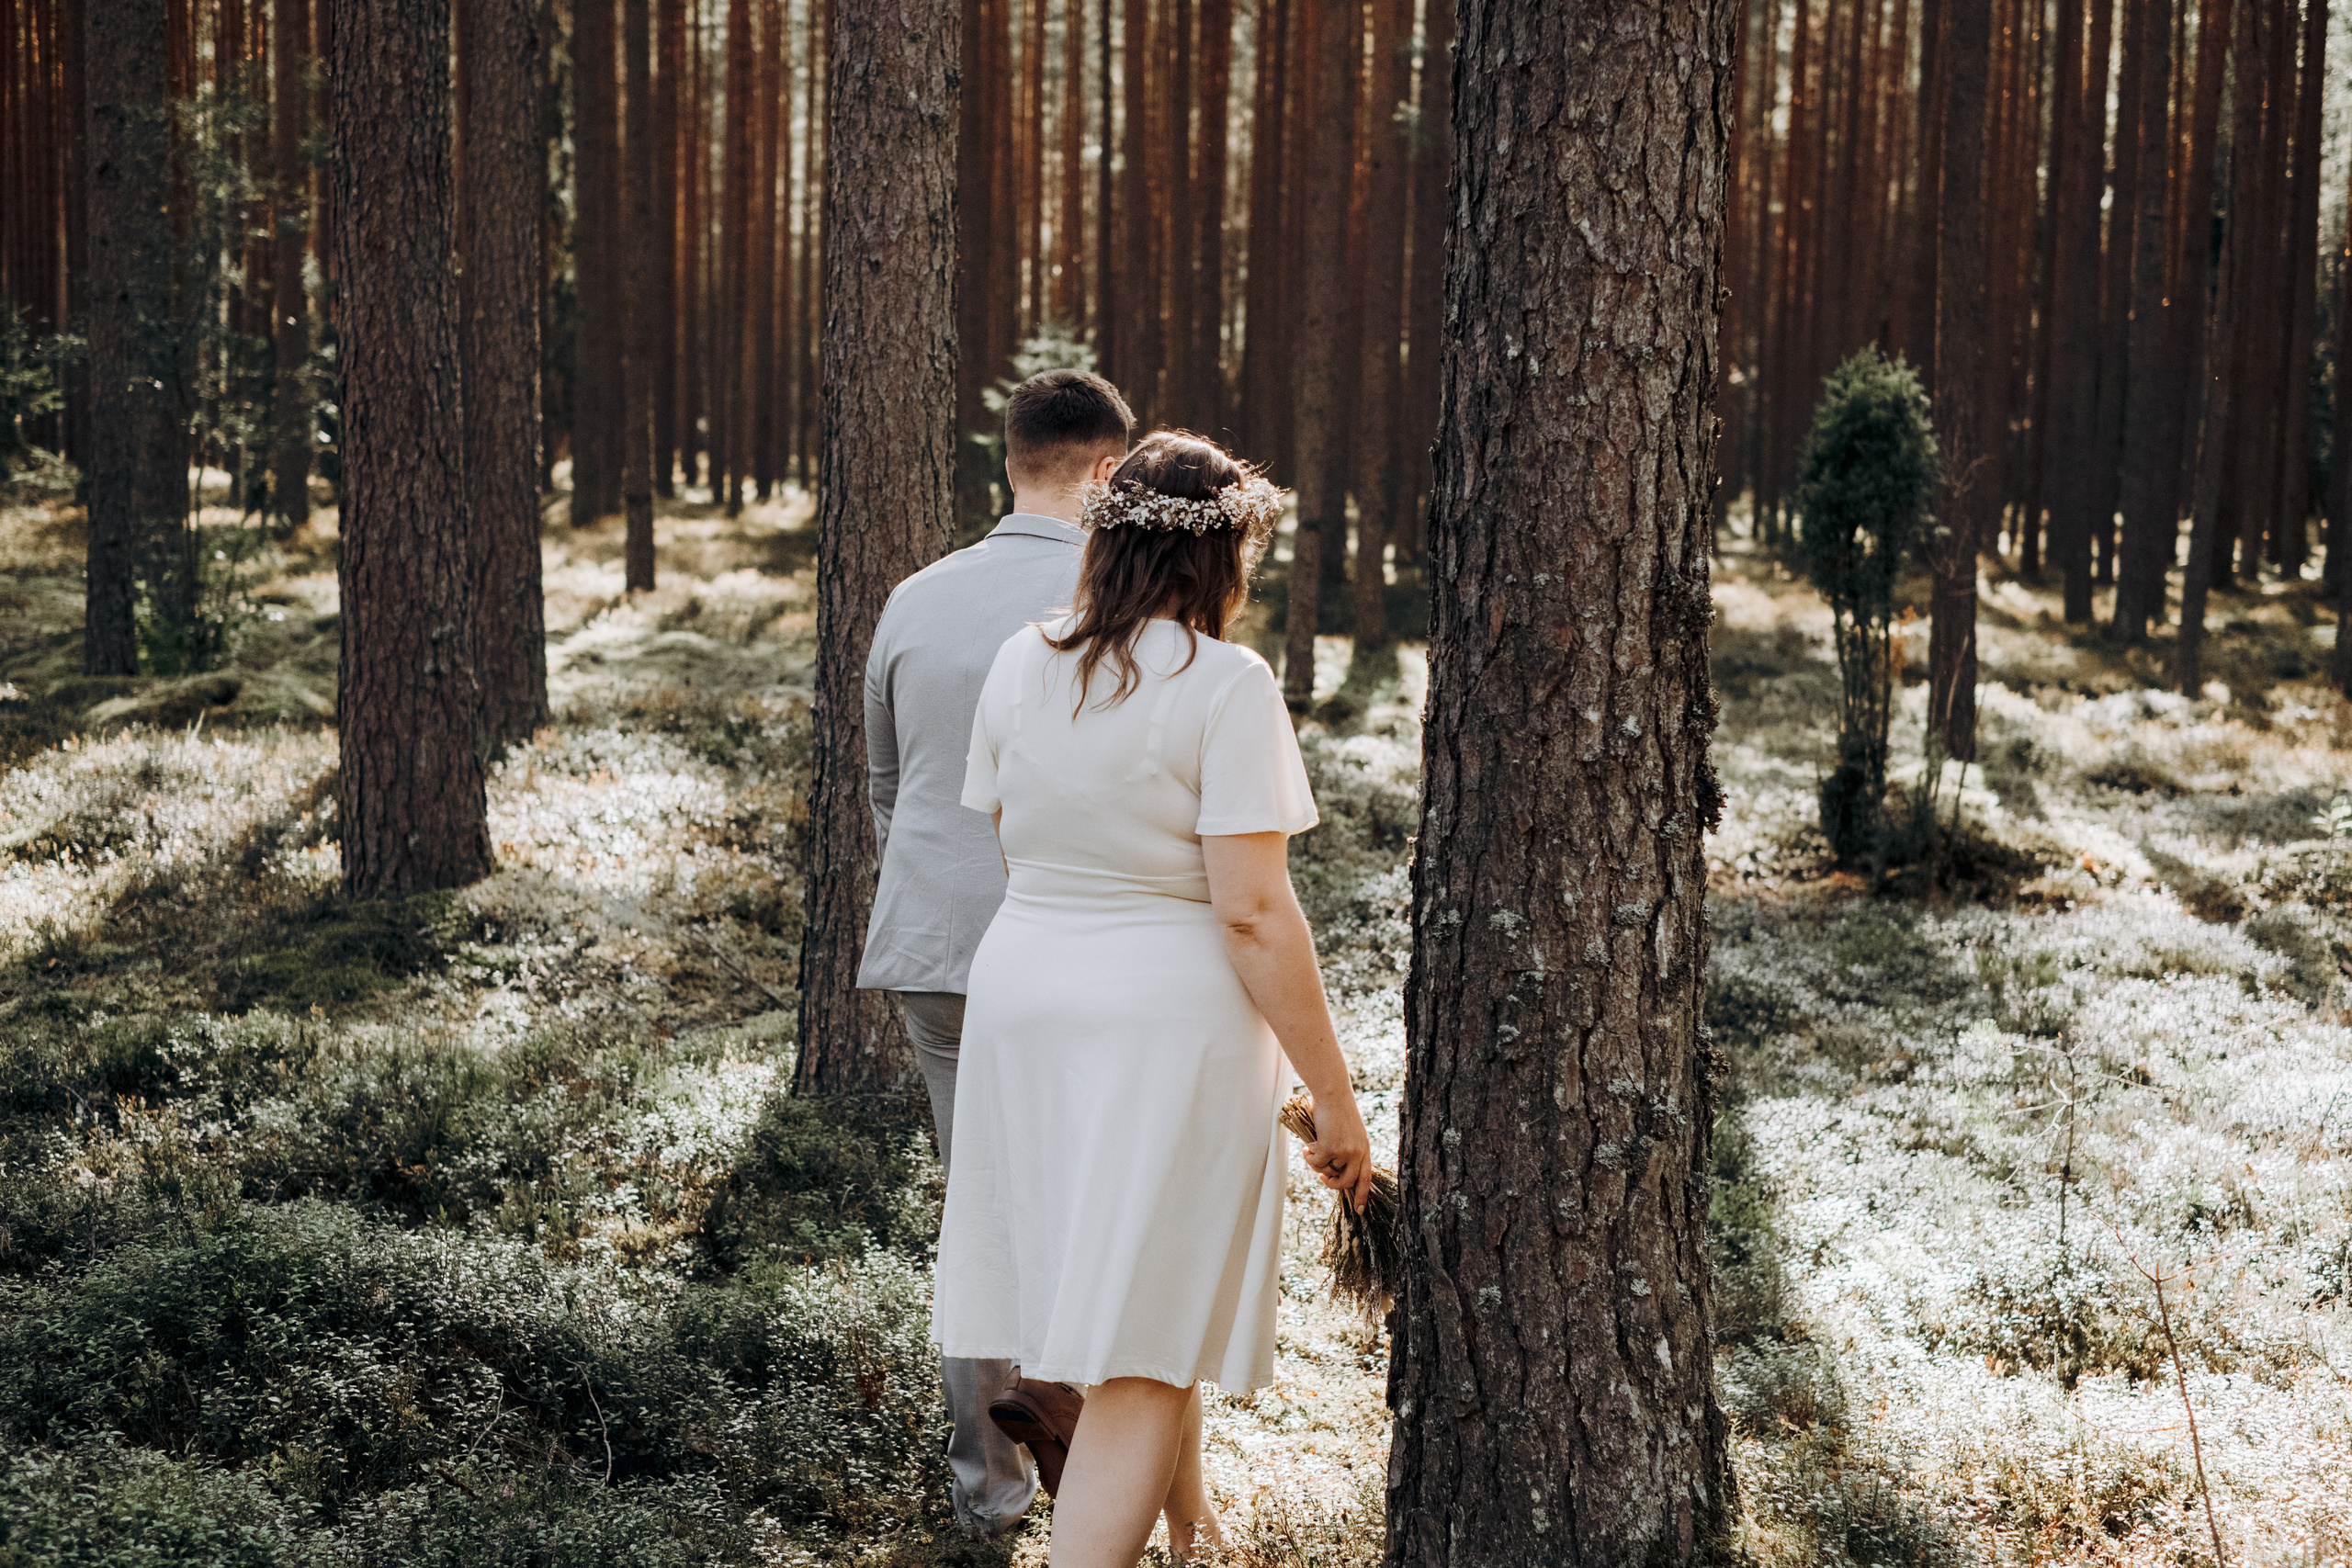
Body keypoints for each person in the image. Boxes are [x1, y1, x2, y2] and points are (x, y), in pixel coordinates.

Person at [933, 432, 1377, 1566]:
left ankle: (1190, 1525)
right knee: (1148, 1337)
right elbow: (1252, 913)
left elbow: (1009, 838)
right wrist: (1335, 1097)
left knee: (1122, 1289)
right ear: (1221, 557)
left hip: (1024, 996)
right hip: (1164, 1022)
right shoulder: (1226, 684)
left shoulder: (1023, 659)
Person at [858, 367, 1136, 1537]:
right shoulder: (1122, 601)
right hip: (1078, 950)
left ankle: (989, 1492)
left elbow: (886, 785)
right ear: (1107, 472)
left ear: (1009, 461)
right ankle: (1098, 1459)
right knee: (1095, 1208)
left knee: (983, 1214)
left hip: (935, 948)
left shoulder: (912, 598)